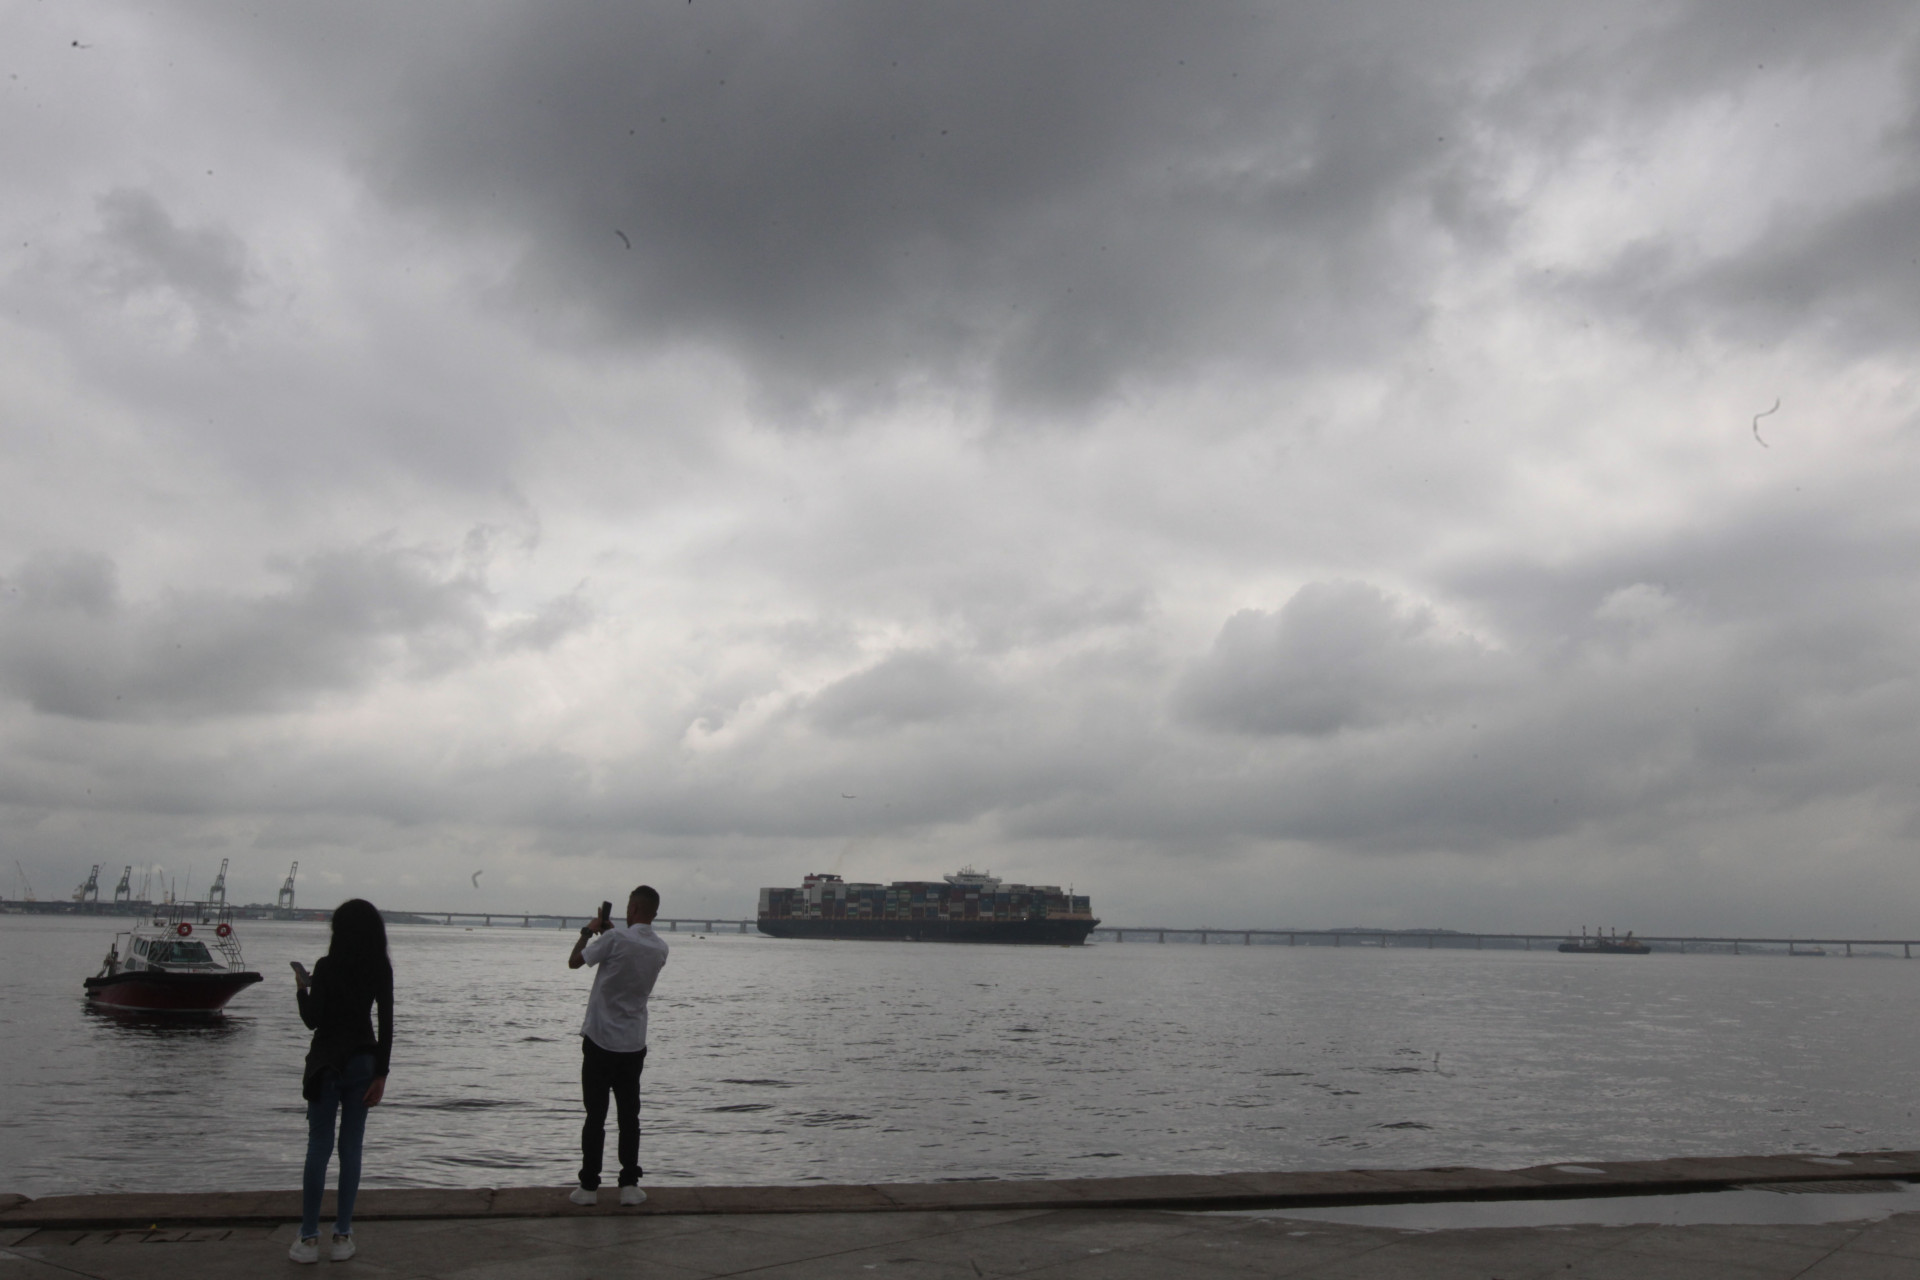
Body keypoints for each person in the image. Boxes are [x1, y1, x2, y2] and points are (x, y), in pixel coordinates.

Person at [288, 899, 394, 1264]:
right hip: (364, 1062)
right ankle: (342, 1236)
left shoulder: (326, 967)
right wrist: (382, 1073)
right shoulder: (380, 967)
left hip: (326, 1064)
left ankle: (308, 1239)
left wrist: (303, 989)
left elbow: (314, 1020)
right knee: (351, 1149)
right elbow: (386, 1023)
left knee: (319, 1145)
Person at [567, 884, 668, 1206]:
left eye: (628, 907)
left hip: (600, 1040)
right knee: (629, 1116)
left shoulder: (613, 938)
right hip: (633, 1043)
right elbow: (629, 953)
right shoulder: (661, 949)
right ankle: (628, 1186)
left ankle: (588, 1188)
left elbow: (574, 961)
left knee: (595, 1116)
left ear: (635, 909)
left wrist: (589, 930)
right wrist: (612, 934)